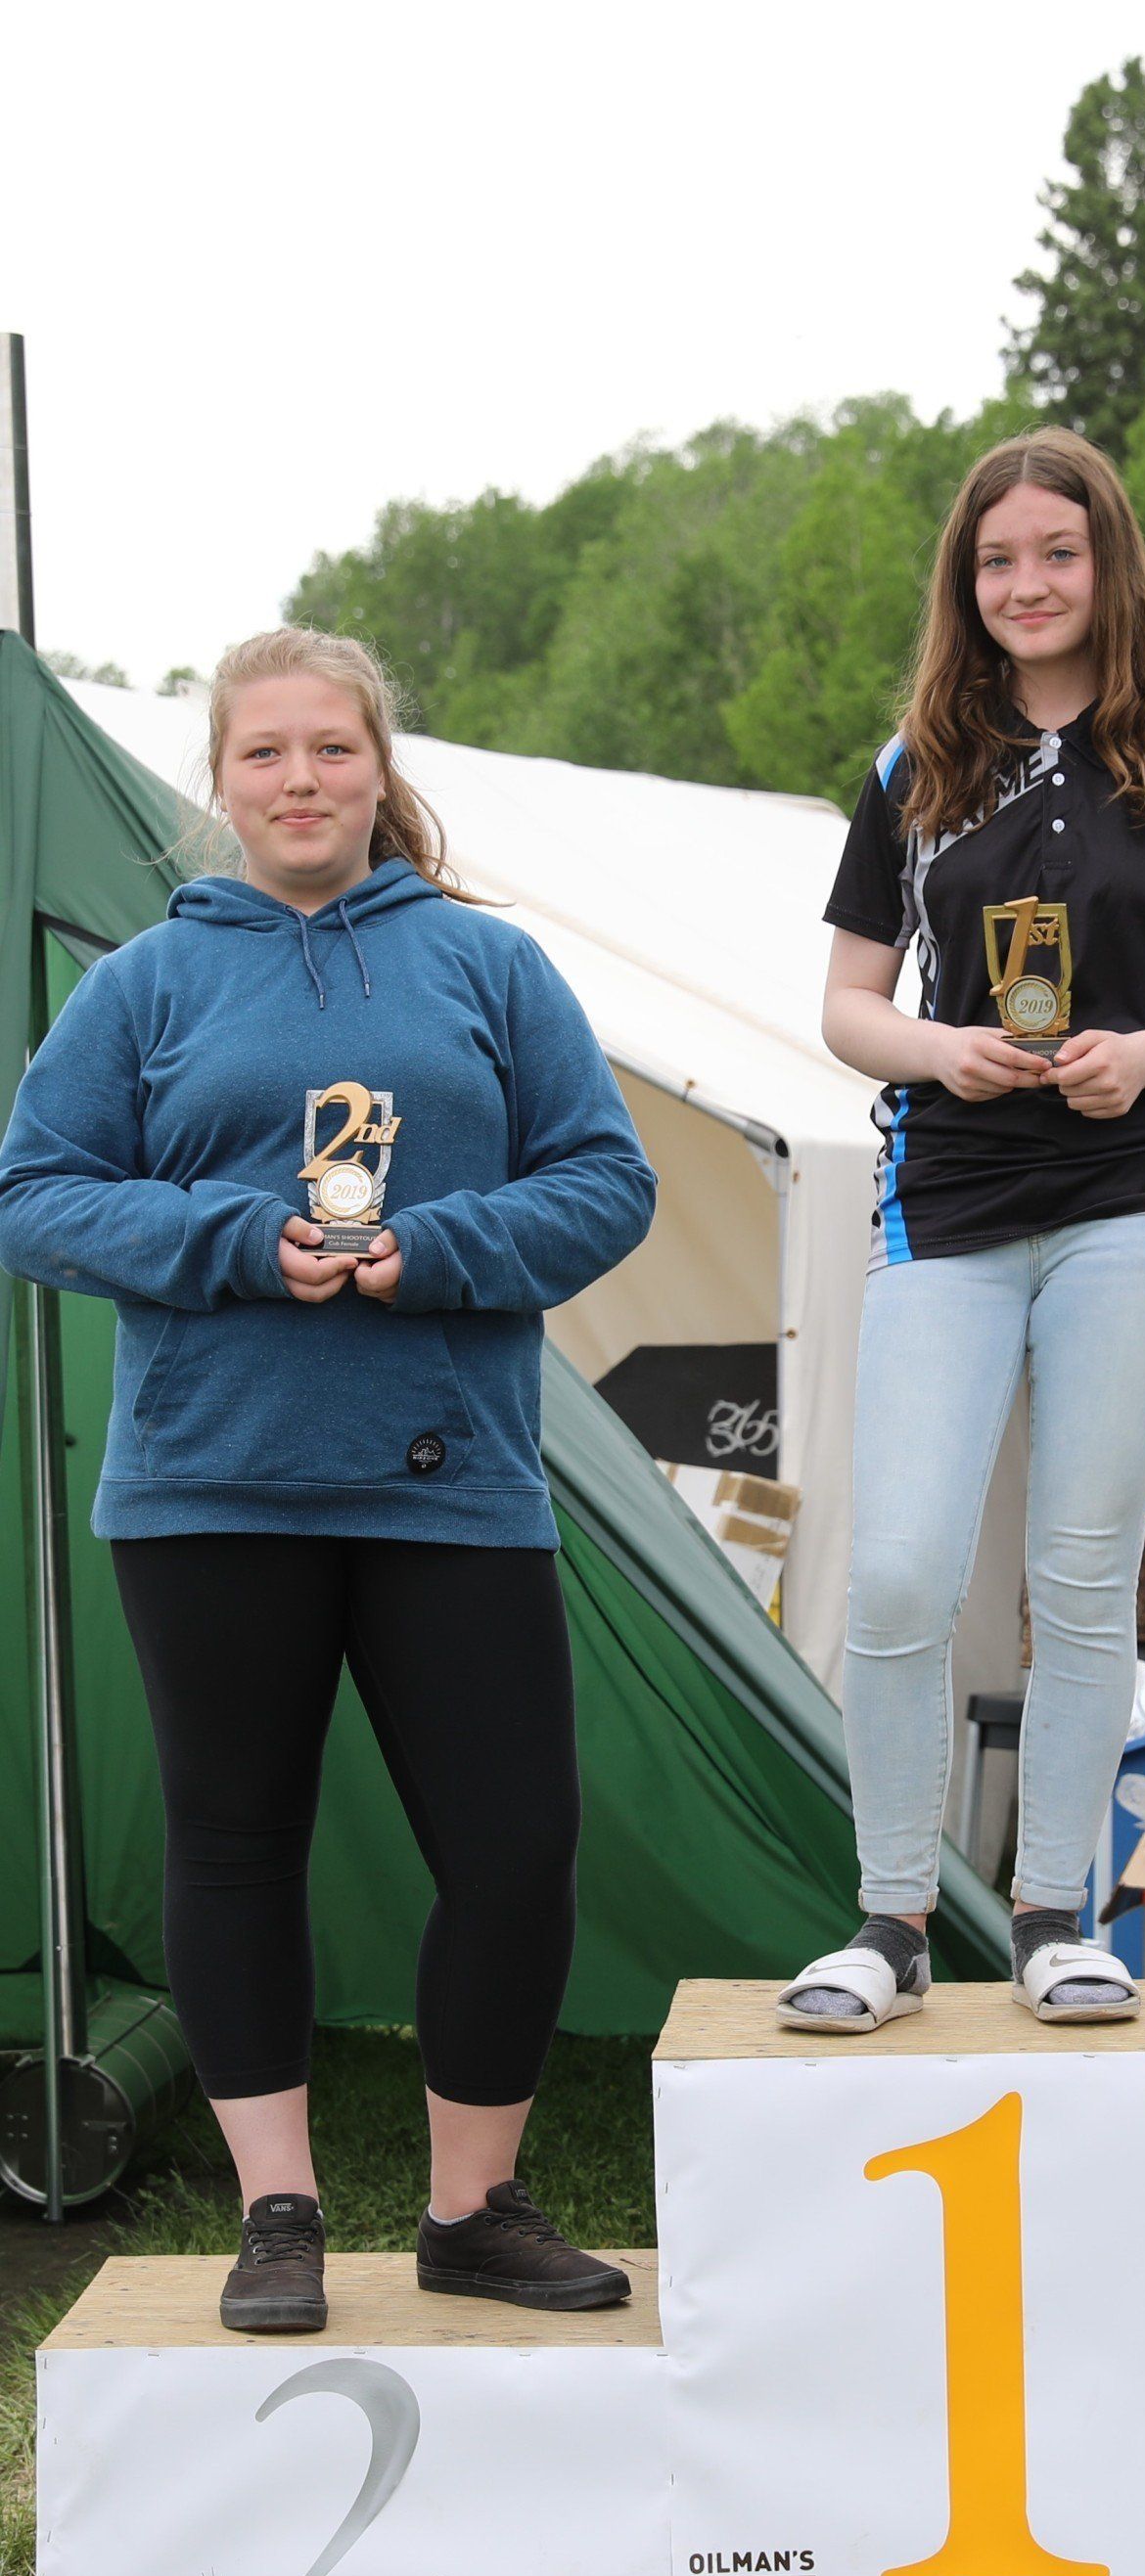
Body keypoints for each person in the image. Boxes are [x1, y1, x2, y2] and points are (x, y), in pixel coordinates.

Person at [0, 629, 658, 2333]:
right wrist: (234, 1241)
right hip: (211, 1483)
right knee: (237, 1846)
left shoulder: (487, 970)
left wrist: (428, 1248)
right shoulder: (145, 982)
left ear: (381, 766)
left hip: (452, 1483)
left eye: (333, 750)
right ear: (217, 784)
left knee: (514, 1850)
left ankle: (471, 2211)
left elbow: (606, 1184)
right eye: (266, 754)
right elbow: (36, 1195)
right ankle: (277, 2216)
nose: (301, 781)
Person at [777, 428, 1145, 2033]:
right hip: (946, 1203)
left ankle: (1061, 1917)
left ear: (1106, 564)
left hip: (1133, 1203)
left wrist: (1141, 1053)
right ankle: (892, 1921)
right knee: (905, 1570)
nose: (1027, 584)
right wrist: (944, 1049)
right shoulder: (912, 763)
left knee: (1080, 1577)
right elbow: (852, 1006)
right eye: (998, 560)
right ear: (965, 580)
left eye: (1056, 554)